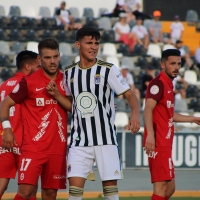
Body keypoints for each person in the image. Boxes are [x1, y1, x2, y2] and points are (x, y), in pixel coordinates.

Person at [47, 26, 140, 200]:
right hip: (79, 141)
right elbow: (72, 106)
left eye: (96, 43)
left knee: (111, 194)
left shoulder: (108, 69)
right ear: (78, 44)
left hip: (105, 140)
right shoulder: (69, 73)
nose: (93, 47)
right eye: (89, 42)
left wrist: (135, 115)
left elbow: (130, 96)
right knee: (74, 194)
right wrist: (57, 95)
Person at [0, 38, 72, 200]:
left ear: (59, 56)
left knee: (50, 194)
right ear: (39, 59)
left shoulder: (67, 80)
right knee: (25, 192)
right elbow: (5, 104)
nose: (52, 61)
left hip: (57, 149)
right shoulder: (29, 82)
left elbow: (73, 108)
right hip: (33, 148)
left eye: (55, 57)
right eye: (47, 58)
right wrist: (7, 128)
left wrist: (57, 95)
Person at [143, 49, 200, 200]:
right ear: (163, 64)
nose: (176, 67)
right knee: (161, 188)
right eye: (172, 63)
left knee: (170, 188)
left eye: (179, 64)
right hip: (158, 142)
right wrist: (150, 135)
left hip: (165, 143)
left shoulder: (168, 85)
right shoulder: (158, 84)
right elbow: (148, 109)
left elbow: (169, 114)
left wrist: (193, 119)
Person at [0, 50, 40, 200]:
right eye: (38, 66)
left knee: (1, 183)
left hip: (4, 140)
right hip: (24, 142)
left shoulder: (4, 85)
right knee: (30, 188)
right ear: (28, 66)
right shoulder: (29, 84)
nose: (40, 70)